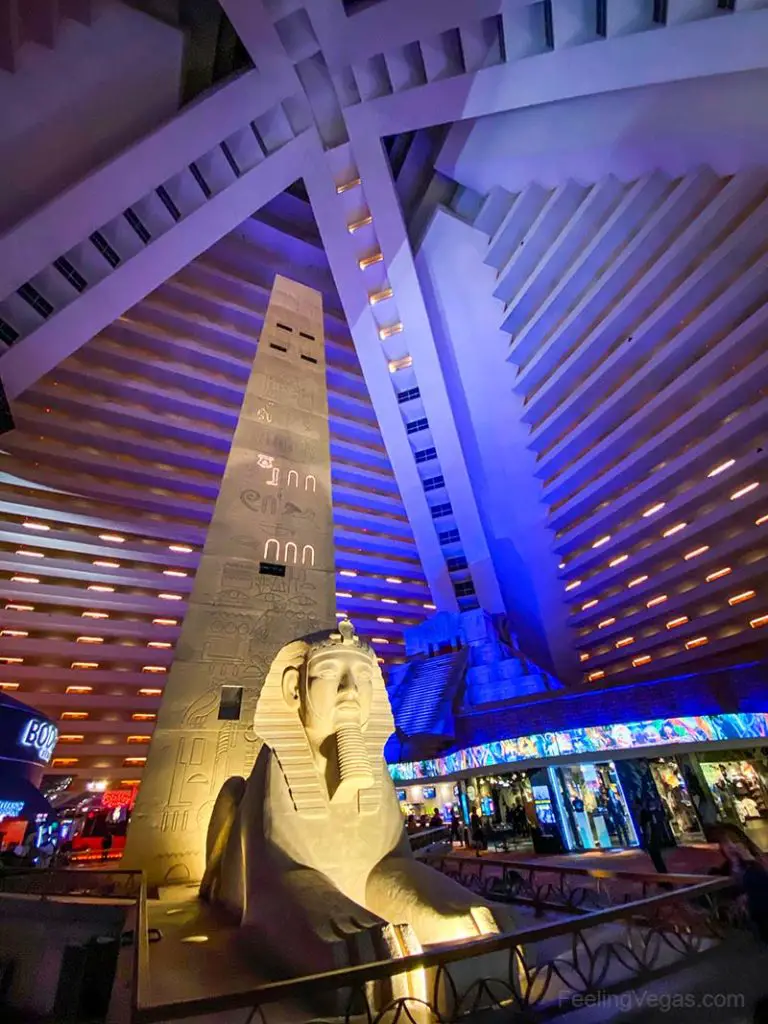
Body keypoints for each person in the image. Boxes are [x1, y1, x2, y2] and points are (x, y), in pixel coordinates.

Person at [638, 796, 667, 874]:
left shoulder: (644, 813)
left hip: (651, 839)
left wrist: (647, 842)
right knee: (657, 858)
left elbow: (646, 828)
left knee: (656, 859)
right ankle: (664, 875)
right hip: (654, 838)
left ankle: (664, 877)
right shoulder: (652, 812)